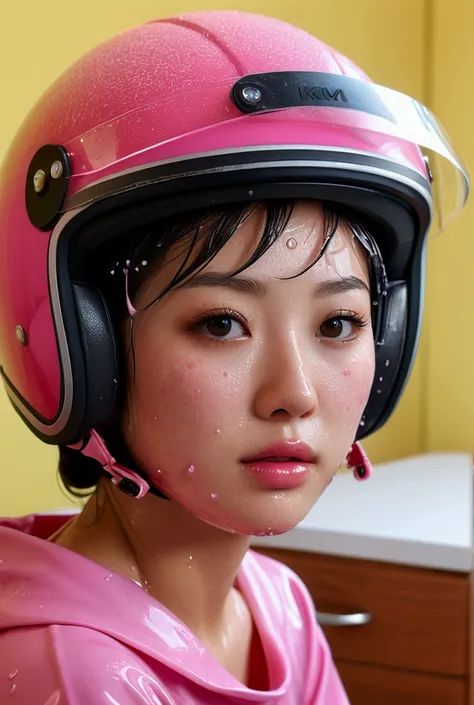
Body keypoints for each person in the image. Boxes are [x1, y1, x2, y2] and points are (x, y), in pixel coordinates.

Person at [0, 10, 468, 705]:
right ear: (85, 349)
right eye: (222, 322)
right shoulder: (71, 675)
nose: (295, 392)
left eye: (339, 322)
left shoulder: (278, 604)